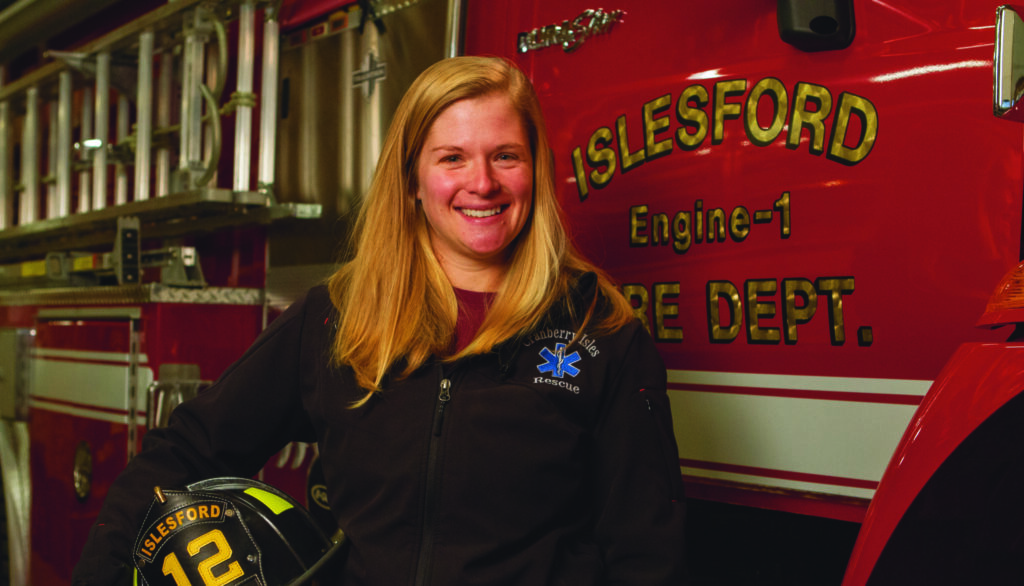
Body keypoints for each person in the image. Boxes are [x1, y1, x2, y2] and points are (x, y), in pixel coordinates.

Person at [72, 55, 686, 585]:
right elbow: (185, 449)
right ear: (413, 180)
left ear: (536, 172)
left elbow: (646, 557)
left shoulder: (601, 333)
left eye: (506, 155)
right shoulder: (339, 315)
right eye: (452, 157)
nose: (482, 182)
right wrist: (105, 571)